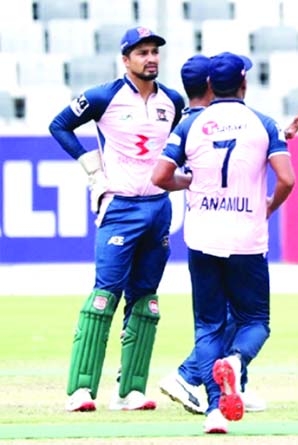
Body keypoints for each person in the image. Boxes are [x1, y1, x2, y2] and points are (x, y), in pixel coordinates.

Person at [151, 52, 296, 434]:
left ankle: (215, 411)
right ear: (244, 82)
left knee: (208, 325)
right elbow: (286, 179)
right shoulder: (263, 123)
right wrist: (268, 206)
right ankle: (235, 362)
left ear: (212, 86)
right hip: (246, 237)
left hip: (203, 236)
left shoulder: (193, 124)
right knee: (256, 322)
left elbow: (161, 175)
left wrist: (189, 182)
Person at [48, 26, 185, 412]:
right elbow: (59, 125)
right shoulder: (102, 96)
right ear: (126, 60)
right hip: (120, 208)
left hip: (159, 208)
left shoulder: (171, 101)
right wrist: (92, 168)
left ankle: (130, 391)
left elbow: (186, 142)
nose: (151, 58)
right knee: (105, 295)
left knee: (146, 300)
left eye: (155, 51)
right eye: (142, 52)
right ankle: (81, 390)